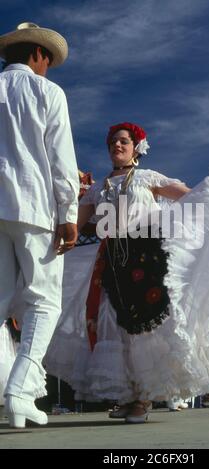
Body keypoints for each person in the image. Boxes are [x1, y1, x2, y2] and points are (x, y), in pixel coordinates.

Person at [45, 122, 209, 423]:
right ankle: (128, 395)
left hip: (145, 259)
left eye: (123, 142)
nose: (116, 146)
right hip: (110, 262)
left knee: (144, 327)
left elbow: (191, 199)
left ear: (136, 147)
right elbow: (73, 223)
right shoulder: (98, 189)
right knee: (113, 326)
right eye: (112, 143)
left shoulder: (148, 178)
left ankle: (144, 398)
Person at [0, 22, 79, 428]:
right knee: (44, 301)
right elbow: (61, 158)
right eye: (49, 59)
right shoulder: (47, 92)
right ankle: (19, 391)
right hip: (32, 206)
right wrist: (68, 214)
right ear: (38, 55)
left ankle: (10, 393)